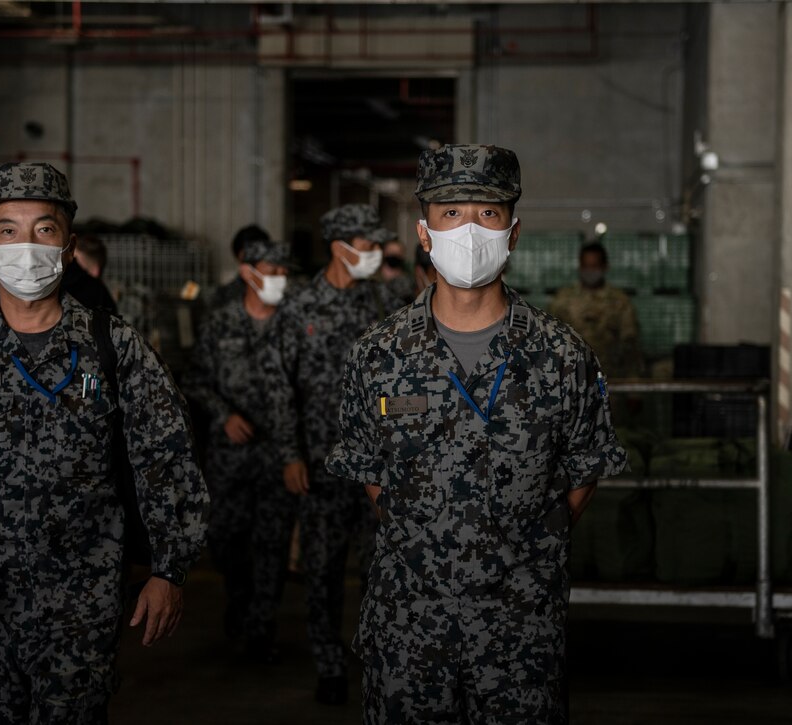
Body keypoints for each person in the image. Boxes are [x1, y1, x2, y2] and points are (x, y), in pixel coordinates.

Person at [0, 161, 209, 724]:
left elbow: (167, 458)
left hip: (84, 596)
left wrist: (168, 569)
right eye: (8, 230)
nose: (26, 246)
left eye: (44, 229)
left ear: (68, 246)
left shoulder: (114, 345)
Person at [325, 144, 628, 724]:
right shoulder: (379, 354)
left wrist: (525, 544)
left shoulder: (562, 356)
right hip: (409, 628)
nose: (469, 231)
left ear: (512, 233)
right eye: (451, 213)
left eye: (488, 214)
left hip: (521, 630)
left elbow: (585, 468)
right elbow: (369, 471)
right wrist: (427, 540)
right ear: (424, 231)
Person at [265, 203, 406, 706]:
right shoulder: (299, 308)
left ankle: (378, 660)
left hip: (378, 467)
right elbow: (280, 387)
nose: (374, 254)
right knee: (322, 572)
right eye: (367, 246)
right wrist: (290, 454)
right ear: (339, 247)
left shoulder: (385, 303)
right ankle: (328, 665)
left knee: (381, 571)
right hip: (321, 466)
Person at [180, 239, 298, 664]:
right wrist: (223, 414)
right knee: (227, 537)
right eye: (272, 270)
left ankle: (260, 628)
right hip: (230, 457)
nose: (279, 279)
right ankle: (239, 598)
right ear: (248, 272)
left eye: (285, 272)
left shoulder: (296, 325)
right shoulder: (220, 323)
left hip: (279, 455)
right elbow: (194, 380)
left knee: (272, 542)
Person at [547, 241, 646, 379]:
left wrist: (634, 391)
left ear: (605, 267)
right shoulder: (562, 300)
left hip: (611, 383)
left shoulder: (619, 302)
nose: (589, 271)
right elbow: (548, 343)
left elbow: (631, 347)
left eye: (594, 266)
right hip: (571, 383)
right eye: (585, 266)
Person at [208, 223, 271, 310]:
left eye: (259, 258)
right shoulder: (224, 297)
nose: (254, 265)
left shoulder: (282, 294)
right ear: (239, 260)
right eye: (248, 260)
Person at [376, 230, 415, 303]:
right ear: (384, 253)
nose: (394, 256)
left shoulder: (409, 282)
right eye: (391, 252)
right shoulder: (375, 279)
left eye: (398, 253)